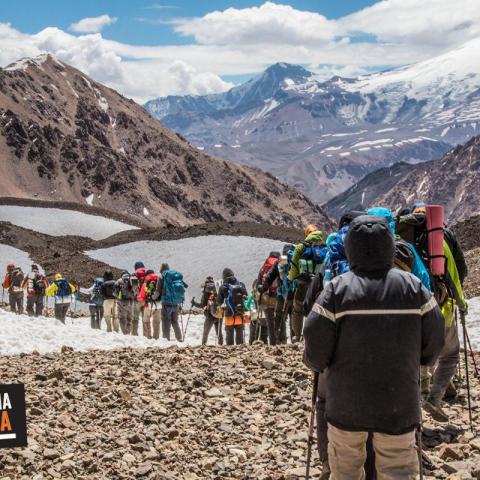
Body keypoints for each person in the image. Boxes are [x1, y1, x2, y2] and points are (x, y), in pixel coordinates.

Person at [304, 215, 445, 479]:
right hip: (399, 406)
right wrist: (423, 359)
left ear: (351, 246)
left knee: (345, 470)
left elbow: (314, 341)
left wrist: (317, 362)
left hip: (345, 407)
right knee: (398, 469)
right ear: (389, 246)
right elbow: (435, 337)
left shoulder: (336, 290)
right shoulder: (413, 288)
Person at [288, 224, 325, 342]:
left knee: (297, 308)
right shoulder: (326, 247)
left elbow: (294, 267)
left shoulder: (300, 247)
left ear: (307, 234)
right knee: (318, 309)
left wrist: (290, 278)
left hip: (303, 283)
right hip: (319, 284)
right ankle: (316, 335)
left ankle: (297, 336)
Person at [262, 244, 295, 344]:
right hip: (294, 293)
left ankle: (277, 340)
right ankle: (295, 340)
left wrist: (264, 288)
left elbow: (270, 276)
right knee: (293, 316)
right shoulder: (296, 260)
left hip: (281, 294)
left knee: (280, 316)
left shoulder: (281, 261)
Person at [153, 263, 186, 342]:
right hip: (176, 303)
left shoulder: (161, 277)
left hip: (166, 304)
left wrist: (152, 298)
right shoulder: (174, 277)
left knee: (165, 321)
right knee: (175, 321)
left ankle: (166, 339)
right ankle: (179, 338)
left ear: (161, 269)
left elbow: (157, 292)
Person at [217, 268, 248, 346]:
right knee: (239, 334)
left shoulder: (222, 287)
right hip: (240, 312)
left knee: (229, 334)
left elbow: (219, 302)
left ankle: (230, 351)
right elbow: (246, 297)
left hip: (229, 314)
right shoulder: (241, 284)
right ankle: (241, 351)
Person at [256, 252, 281, 345]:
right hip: (279, 296)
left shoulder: (264, 267)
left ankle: (272, 343)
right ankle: (282, 342)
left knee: (270, 323)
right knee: (280, 319)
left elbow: (259, 284)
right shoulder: (280, 264)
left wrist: (259, 300)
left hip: (266, 297)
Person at [194, 276, 224, 345]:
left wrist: (194, 303)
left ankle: (204, 345)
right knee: (219, 332)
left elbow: (202, 305)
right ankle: (221, 345)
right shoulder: (218, 290)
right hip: (219, 314)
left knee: (206, 332)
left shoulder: (205, 292)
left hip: (209, 316)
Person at [138, 269, 160, 339]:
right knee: (156, 322)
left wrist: (138, 299)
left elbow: (141, 297)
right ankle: (156, 337)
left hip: (149, 305)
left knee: (146, 321)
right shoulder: (159, 283)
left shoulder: (145, 284)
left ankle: (147, 337)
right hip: (159, 304)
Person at [131, 261, 146, 336]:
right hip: (145, 300)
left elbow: (130, 289)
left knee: (135, 319)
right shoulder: (147, 274)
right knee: (145, 319)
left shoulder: (133, 276)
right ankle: (146, 335)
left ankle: (134, 334)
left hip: (136, 300)